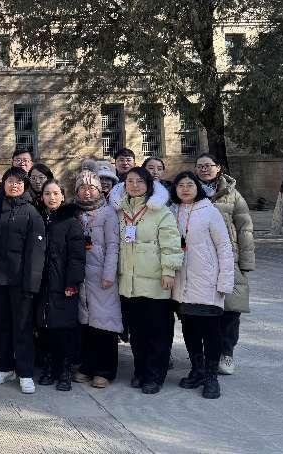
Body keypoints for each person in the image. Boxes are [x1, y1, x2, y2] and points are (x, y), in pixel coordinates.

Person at [111, 166, 182, 394]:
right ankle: (140, 371)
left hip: (155, 283)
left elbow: (171, 244)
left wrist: (169, 270)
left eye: (139, 181)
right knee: (137, 333)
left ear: (149, 184)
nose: (134, 185)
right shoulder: (120, 212)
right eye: (130, 181)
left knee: (157, 332)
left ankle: (154, 375)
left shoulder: (160, 211)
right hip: (129, 284)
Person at [169, 171, 235, 399]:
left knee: (210, 332)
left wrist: (225, 280)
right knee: (189, 330)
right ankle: (196, 370)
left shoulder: (210, 211)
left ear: (198, 188)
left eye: (190, 185)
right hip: (182, 284)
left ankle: (211, 376)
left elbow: (224, 247)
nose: (185, 189)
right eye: (181, 185)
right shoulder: (173, 212)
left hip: (207, 282)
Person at [195, 153, 255, 375]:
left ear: (218, 167)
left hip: (229, 259)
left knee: (231, 310)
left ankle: (226, 353)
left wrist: (246, 263)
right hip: (199, 261)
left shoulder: (233, 195)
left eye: (208, 165)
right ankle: (205, 353)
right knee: (202, 311)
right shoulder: (189, 191)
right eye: (200, 166)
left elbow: (245, 229)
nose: (204, 169)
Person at [0, 167, 47, 394]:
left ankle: (25, 372)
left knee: (22, 327)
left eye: (19, 182)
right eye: (10, 181)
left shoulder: (31, 212)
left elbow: (36, 251)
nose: (14, 185)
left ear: (25, 186)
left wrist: (31, 283)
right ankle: (5, 367)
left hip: (21, 281)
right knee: (1, 325)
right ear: (3, 184)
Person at [72, 168, 122, 388]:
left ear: (99, 190)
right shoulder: (74, 213)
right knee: (85, 324)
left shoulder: (108, 213)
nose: (87, 192)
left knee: (104, 323)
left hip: (102, 277)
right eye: (82, 188)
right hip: (81, 277)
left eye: (92, 187)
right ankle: (87, 366)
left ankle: (105, 370)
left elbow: (113, 246)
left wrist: (109, 274)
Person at [35, 179, 84, 391]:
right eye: (47, 193)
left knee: (63, 329)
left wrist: (72, 282)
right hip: (42, 283)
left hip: (63, 284)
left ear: (63, 196)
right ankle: (49, 368)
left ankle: (64, 371)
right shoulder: (39, 219)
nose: (51, 197)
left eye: (56, 193)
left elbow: (77, 256)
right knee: (44, 327)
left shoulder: (71, 221)